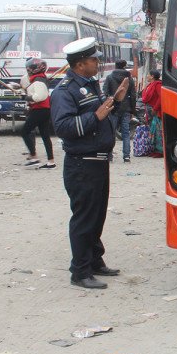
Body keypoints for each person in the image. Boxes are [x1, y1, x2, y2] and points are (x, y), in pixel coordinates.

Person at [51, 38, 129, 290]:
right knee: (84, 218)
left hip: (99, 162)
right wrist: (95, 116)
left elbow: (102, 115)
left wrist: (115, 101)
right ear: (80, 63)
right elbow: (63, 127)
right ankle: (80, 271)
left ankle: (95, 260)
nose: (98, 63)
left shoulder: (90, 84)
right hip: (81, 163)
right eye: (93, 59)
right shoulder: (65, 90)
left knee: (97, 216)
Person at [21, 58, 55, 169]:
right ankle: (51, 161)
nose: (28, 71)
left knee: (25, 131)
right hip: (44, 109)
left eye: (29, 69)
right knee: (45, 135)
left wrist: (26, 97)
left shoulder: (38, 80)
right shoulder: (41, 79)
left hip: (39, 109)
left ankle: (34, 157)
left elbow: (39, 97)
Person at [103, 59, 137, 163]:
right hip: (126, 109)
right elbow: (133, 96)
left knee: (111, 133)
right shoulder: (129, 79)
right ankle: (126, 156)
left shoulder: (109, 77)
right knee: (126, 133)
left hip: (113, 109)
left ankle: (109, 155)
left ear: (115, 65)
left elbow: (105, 93)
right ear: (125, 66)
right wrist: (132, 110)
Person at [141, 69, 163, 157]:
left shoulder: (157, 85)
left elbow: (161, 97)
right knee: (153, 131)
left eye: (148, 75)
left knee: (158, 131)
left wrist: (155, 108)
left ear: (152, 76)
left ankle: (160, 151)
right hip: (151, 110)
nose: (147, 76)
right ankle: (155, 149)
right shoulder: (150, 85)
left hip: (156, 111)